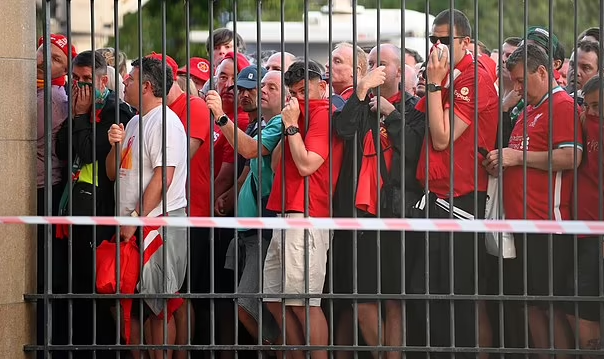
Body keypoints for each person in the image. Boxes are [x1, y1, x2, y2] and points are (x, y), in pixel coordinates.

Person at [484, 43, 583, 359]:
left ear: (543, 71)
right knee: (530, 307)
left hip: (546, 225)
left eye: (521, 81)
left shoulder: (562, 106)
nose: (517, 88)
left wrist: (517, 158)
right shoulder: (527, 109)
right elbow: (517, 158)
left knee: (547, 307)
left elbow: (572, 156)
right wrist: (501, 161)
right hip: (519, 225)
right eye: (513, 81)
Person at [411, 9, 499, 359]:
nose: (436, 47)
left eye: (444, 40)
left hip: (462, 199)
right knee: (424, 290)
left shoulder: (472, 77)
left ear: (465, 42)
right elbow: (419, 117)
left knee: (456, 295)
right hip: (436, 196)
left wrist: (434, 83)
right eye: (432, 40)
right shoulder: (449, 73)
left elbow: (443, 136)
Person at [333, 43, 424, 359]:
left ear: (399, 70)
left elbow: (415, 151)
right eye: (369, 63)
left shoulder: (415, 107)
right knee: (363, 300)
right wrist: (361, 93)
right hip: (361, 213)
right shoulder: (357, 102)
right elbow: (343, 130)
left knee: (395, 299)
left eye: (381, 63)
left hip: (398, 211)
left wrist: (391, 113)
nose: (374, 69)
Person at [106, 56, 188, 359]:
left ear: (147, 86)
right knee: (133, 302)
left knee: (158, 305)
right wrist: (114, 144)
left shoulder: (164, 122)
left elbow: (164, 176)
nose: (124, 82)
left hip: (156, 224)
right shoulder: (135, 121)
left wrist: (137, 219)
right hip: (135, 224)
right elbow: (113, 173)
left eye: (130, 79)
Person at [55, 50, 135, 358]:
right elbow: (63, 148)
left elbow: (89, 152)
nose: (80, 86)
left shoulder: (118, 111)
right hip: (74, 205)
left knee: (96, 286)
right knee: (71, 282)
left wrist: (79, 116)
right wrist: (77, 115)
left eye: (87, 80)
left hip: (100, 210)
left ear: (104, 80)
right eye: (75, 79)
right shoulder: (80, 107)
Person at [263, 60, 344, 359]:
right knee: (275, 298)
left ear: (322, 87)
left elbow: (308, 164)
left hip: (307, 214)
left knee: (303, 303)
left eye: (303, 91)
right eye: (293, 93)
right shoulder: (294, 115)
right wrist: (290, 125)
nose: (298, 99)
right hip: (285, 211)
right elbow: (275, 164)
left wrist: (293, 125)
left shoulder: (323, 113)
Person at [208, 66, 282, 346]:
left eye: (267, 88)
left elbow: (250, 150)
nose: (257, 93)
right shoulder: (257, 124)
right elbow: (248, 170)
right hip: (248, 228)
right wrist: (231, 195)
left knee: (246, 304)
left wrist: (221, 116)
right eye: (252, 88)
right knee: (246, 303)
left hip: (263, 228)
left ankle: (278, 350)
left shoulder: (275, 123)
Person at [35, 33, 77, 359]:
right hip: (36, 187)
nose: (47, 61)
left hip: (48, 189)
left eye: (57, 59)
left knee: (50, 272)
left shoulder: (54, 98)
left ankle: (52, 343)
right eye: (43, 52)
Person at [565, 75, 603, 356]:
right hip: (580, 228)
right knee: (575, 303)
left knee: (583, 305)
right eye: (587, 105)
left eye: (597, 106)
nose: (591, 112)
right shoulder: (585, 121)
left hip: (596, 234)